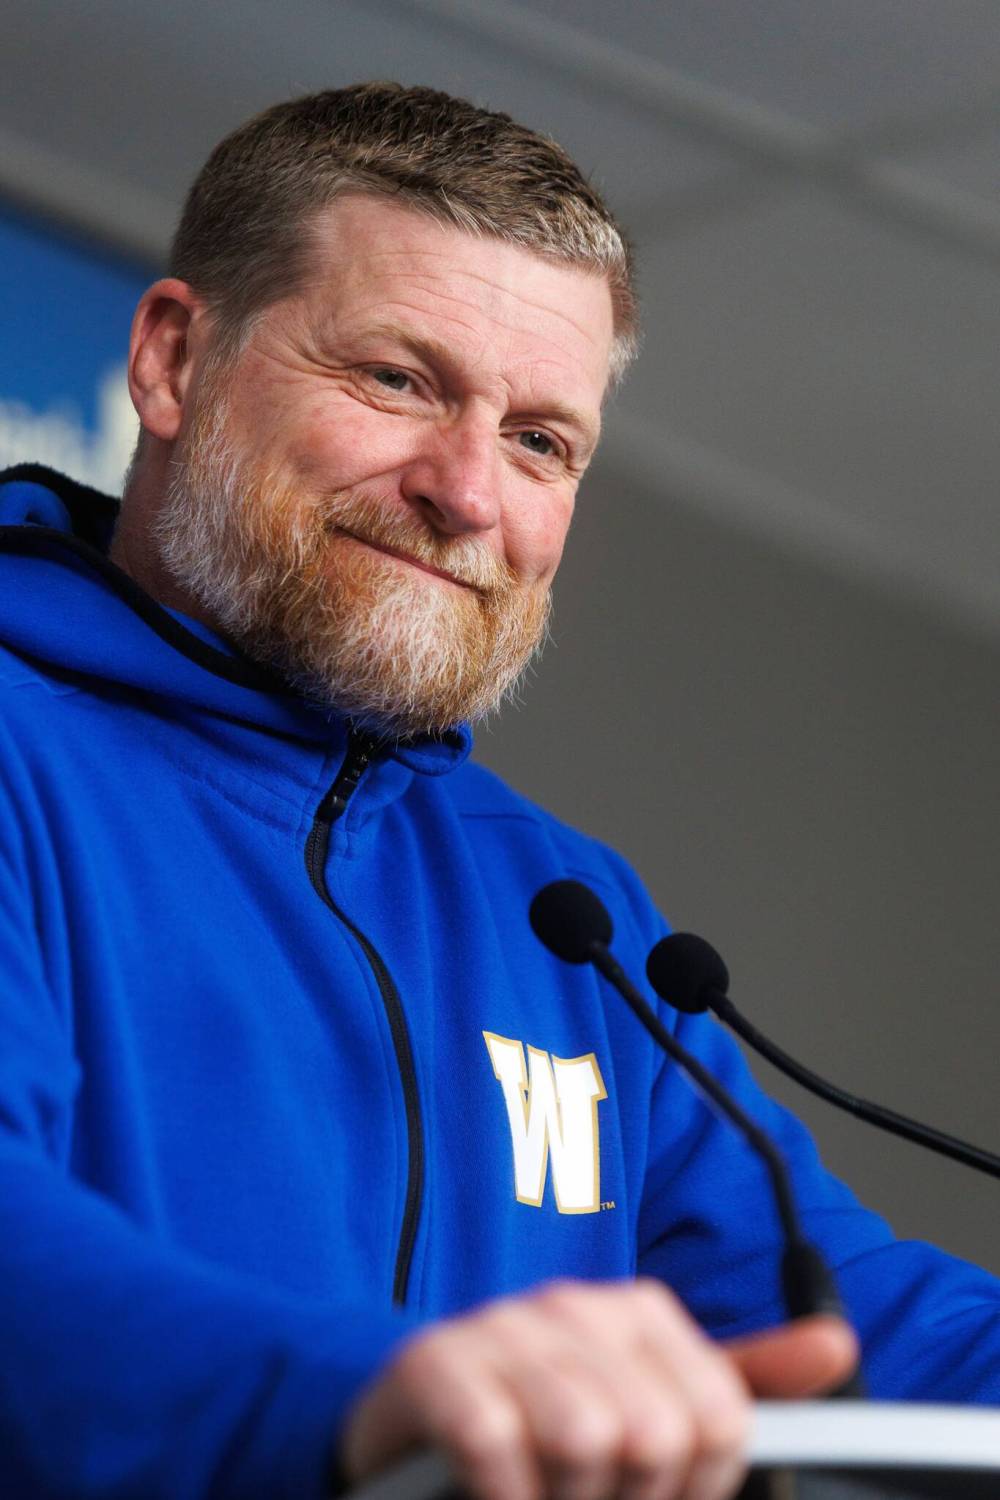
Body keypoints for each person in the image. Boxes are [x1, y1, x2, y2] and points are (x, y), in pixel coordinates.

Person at [0, 82, 997, 1500]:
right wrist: (360, 1398)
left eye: (541, 440)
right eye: (400, 380)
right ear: (172, 360)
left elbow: (841, 1313)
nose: (469, 492)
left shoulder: (561, 913)